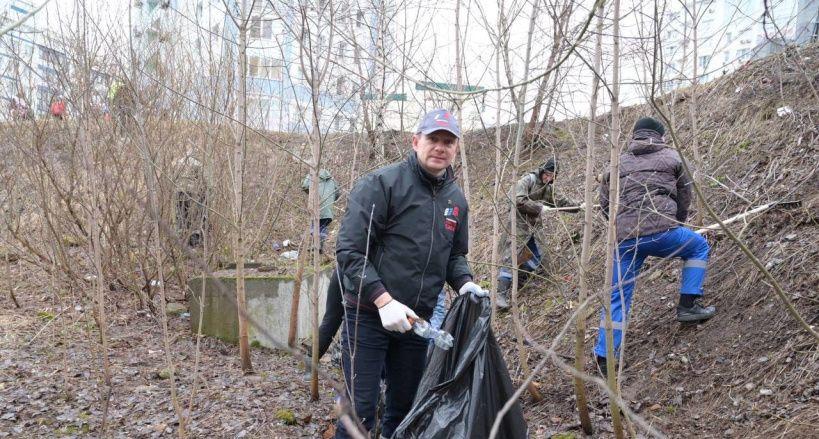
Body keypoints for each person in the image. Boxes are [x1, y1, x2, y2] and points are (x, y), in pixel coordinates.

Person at [334, 108, 486, 438]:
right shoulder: (381, 185)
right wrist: (383, 300)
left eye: (449, 141)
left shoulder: (456, 200)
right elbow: (349, 251)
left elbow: (454, 255)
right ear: (416, 140)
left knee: (405, 409)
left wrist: (465, 283)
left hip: (417, 323)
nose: (440, 147)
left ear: (456, 148)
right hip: (368, 318)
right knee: (359, 410)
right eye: (434, 139)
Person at [594, 116, 716, 376]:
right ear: (660, 135)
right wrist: (676, 223)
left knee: (617, 296)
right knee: (698, 247)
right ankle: (688, 305)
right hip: (663, 231)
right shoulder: (673, 158)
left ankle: (605, 359)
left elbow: (605, 204)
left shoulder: (616, 164)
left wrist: (620, 226)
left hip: (624, 240)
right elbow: (685, 197)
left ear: (635, 135)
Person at [495, 158, 583, 310]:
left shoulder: (547, 188)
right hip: (518, 224)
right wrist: (538, 207)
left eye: (552, 176)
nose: (549, 178)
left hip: (534, 226)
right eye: (547, 174)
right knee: (510, 257)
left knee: (537, 256)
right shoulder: (527, 180)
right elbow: (516, 200)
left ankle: (520, 279)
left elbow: (561, 202)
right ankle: (500, 295)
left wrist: (579, 206)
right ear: (542, 171)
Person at [173, 149, 207, 247]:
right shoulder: (198, 164)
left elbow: (174, 178)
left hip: (178, 192)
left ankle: (181, 238)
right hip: (192, 192)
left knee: (181, 215)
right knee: (196, 216)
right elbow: (203, 180)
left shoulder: (178, 163)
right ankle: (194, 240)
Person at [302, 169, 340, 254]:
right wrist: (330, 200)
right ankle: (319, 247)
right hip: (328, 210)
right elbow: (337, 193)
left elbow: (304, 186)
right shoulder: (332, 181)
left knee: (314, 227)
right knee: (322, 228)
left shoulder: (313, 177)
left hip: (316, 208)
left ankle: (314, 246)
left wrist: (309, 176)